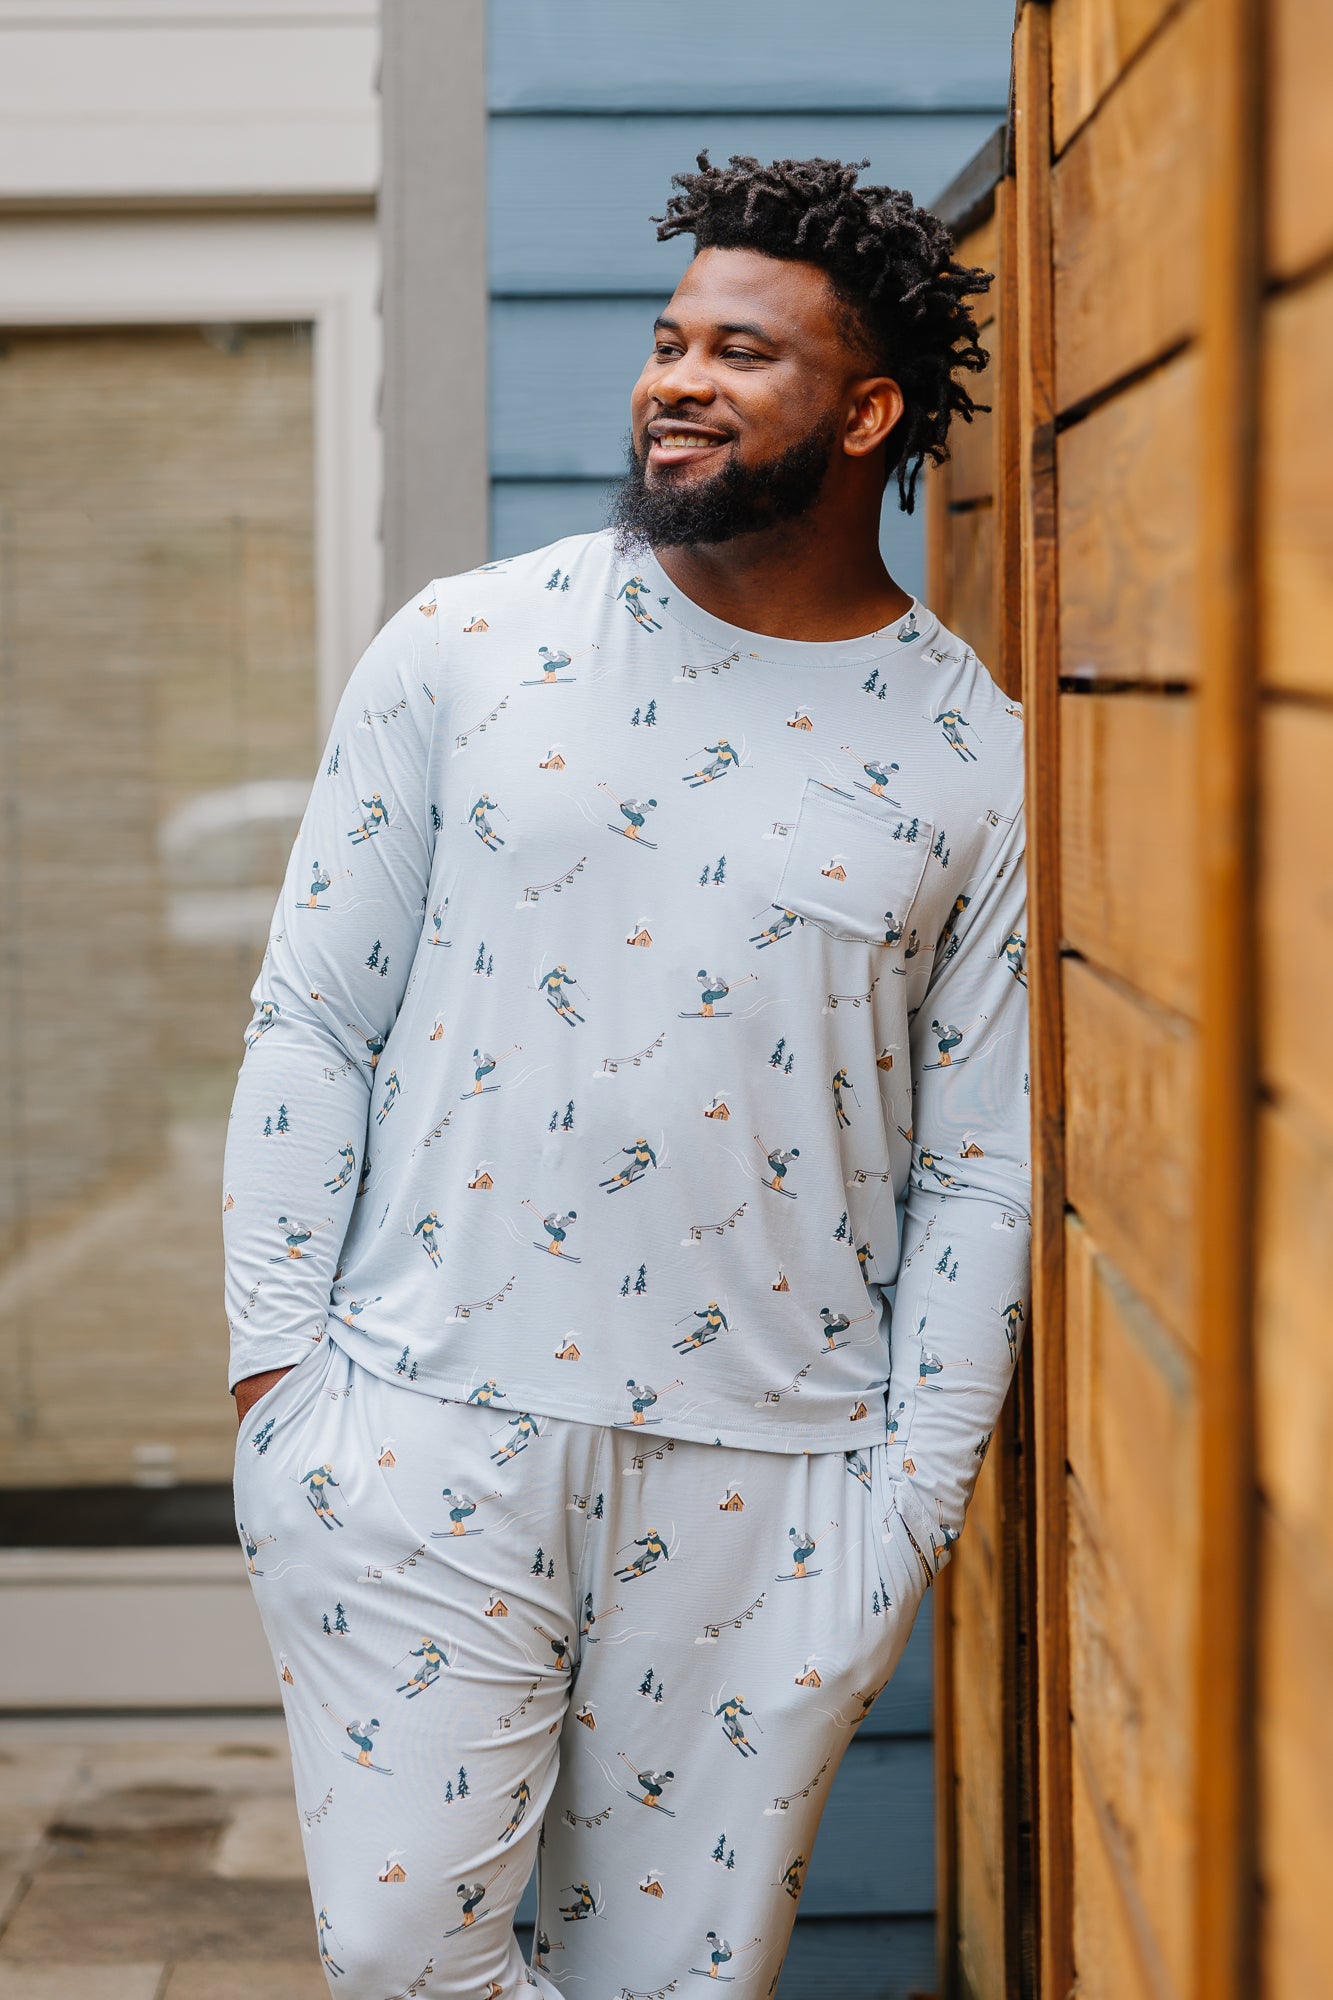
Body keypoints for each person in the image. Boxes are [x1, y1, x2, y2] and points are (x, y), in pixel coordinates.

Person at [228, 150, 1030, 2000]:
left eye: (738, 353)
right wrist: (284, 1391)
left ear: (867, 412)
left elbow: (981, 1165)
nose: (673, 377)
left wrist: (904, 1499)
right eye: (668, 340)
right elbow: (310, 1019)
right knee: (401, 1953)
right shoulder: (468, 648)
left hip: (778, 1483)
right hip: (425, 1426)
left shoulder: (971, 758)